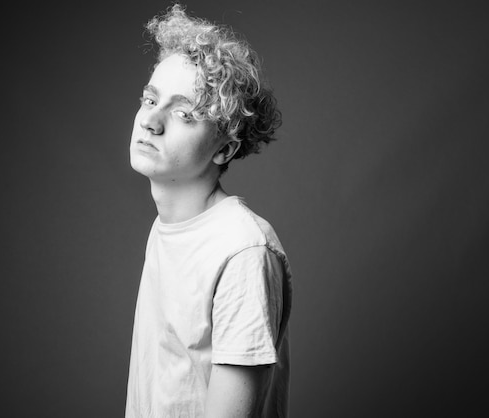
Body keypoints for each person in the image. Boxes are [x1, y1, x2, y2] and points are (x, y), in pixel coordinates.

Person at [124, 4, 292, 417]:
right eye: (149, 99)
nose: (151, 121)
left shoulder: (241, 252)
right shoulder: (169, 227)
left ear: (224, 148)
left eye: (183, 113)